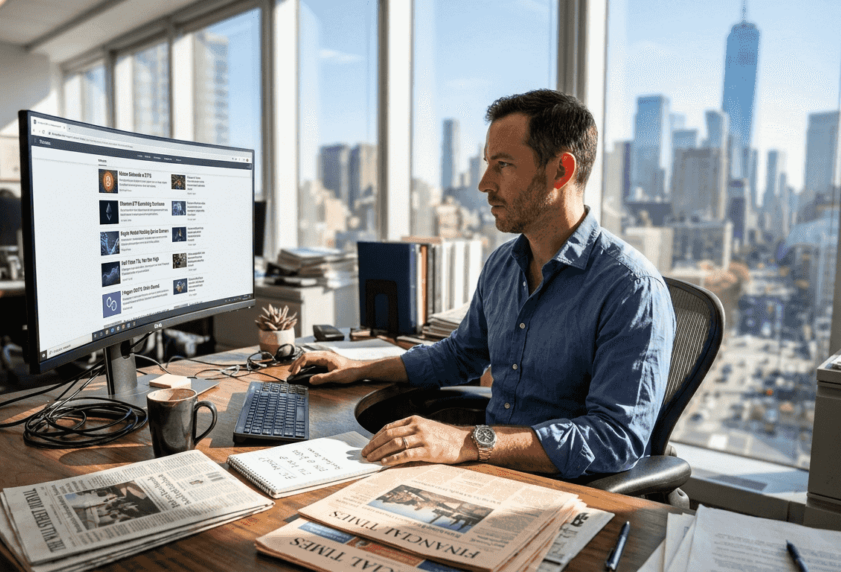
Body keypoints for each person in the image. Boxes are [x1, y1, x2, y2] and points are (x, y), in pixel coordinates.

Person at [289, 89, 676, 479]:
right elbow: (459, 355)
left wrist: (468, 442)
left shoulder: (632, 288)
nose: (484, 184)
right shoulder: (503, 265)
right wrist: (359, 367)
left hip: (563, 491)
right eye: (487, 163)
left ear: (560, 171)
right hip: (488, 470)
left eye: (503, 165)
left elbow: (614, 439)